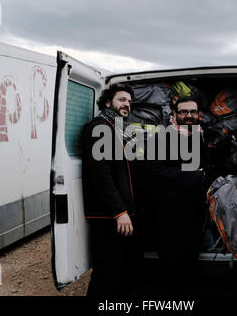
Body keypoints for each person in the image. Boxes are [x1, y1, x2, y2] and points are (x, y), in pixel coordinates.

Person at [81, 83, 142, 297]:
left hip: (122, 215)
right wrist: (119, 212)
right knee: (107, 274)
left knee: (123, 270)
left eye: (129, 102)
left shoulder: (116, 129)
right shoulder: (100, 128)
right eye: (122, 100)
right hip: (109, 217)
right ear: (108, 102)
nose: (127, 105)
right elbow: (101, 175)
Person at [149, 96, 208, 295]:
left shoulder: (201, 135)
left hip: (196, 210)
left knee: (192, 256)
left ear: (198, 114)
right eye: (184, 112)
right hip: (170, 212)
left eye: (193, 112)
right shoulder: (163, 137)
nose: (189, 116)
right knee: (172, 263)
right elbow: (156, 171)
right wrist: (192, 176)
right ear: (175, 114)